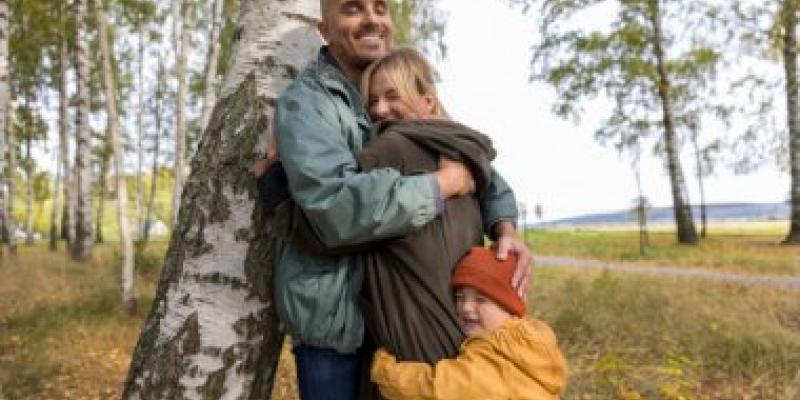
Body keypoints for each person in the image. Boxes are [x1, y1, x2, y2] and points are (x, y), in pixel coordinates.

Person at [252, 1, 533, 398]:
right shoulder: (308, 104)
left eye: (380, 8)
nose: (371, 19)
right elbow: (336, 210)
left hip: (405, 316)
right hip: (337, 323)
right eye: (353, 9)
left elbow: (472, 161)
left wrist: (505, 226)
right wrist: (441, 185)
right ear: (324, 29)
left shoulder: (397, 83)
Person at [370, 246, 567, 400]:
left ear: (510, 307)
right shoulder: (534, 344)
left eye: (481, 299)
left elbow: (436, 388)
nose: (465, 307)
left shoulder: (496, 358)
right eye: (460, 296)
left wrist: (385, 371)